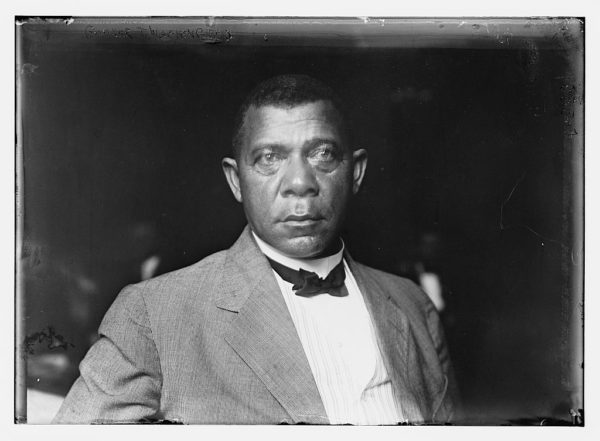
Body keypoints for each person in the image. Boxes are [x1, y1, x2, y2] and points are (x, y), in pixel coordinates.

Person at [53, 74, 459, 425]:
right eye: (269, 157)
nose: (300, 182)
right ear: (235, 180)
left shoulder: (413, 307)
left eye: (322, 154)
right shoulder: (153, 316)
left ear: (355, 172)